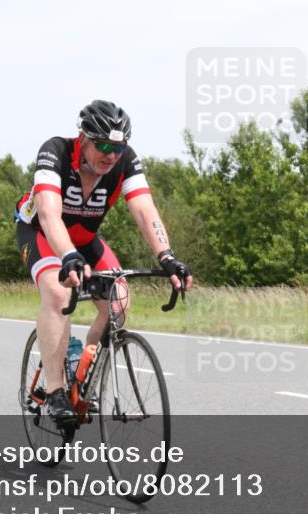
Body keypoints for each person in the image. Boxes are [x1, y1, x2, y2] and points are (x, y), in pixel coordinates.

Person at [15, 100, 193, 422]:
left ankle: (85, 374)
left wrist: (167, 255)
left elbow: (144, 210)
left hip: (84, 239)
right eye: (104, 145)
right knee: (58, 294)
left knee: (119, 301)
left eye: (118, 146)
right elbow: (49, 212)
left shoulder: (125, 160)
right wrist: (67, 256)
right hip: (41, 232)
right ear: (83, 137)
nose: (111, 155)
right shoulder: (54, 151)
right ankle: (55, 391)